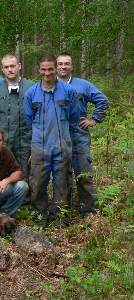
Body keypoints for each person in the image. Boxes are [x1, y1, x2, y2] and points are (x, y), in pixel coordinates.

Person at [24, 53, 79, 226]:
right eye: (43, 70)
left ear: (56, 68)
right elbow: (28, 119)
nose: (47, 73)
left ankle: (60, 218)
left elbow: (74, 116)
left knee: (62, 183)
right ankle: (39, 218)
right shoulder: (31, 93)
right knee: (38, 184)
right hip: (39, 147)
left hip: (62, 146)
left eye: (50, 69)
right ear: (38, 70)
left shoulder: (68, 91)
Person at [56, 52, 110, 217]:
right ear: (56, 66)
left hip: (79, 137)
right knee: (62, 177)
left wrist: (94, 120)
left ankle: (88, 211)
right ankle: (65, 212)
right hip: (59, 138)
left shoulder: (83, 85)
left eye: (67, 64)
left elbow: (103, 100)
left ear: (72, 66)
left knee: (84, 175)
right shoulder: (50, 86)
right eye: (60, 64)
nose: (63, 66)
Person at [0, 53, 35, 192]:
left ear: (19, 66)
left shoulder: (31, 88)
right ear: (2, 69)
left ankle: (25, 203)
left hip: (25, 139)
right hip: (3, 140)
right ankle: (2, 202)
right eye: (6, 67)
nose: (10, 69)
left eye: (12, 66)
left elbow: (38, 117)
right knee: (1, 171)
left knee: (25, 170)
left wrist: (36, 141)